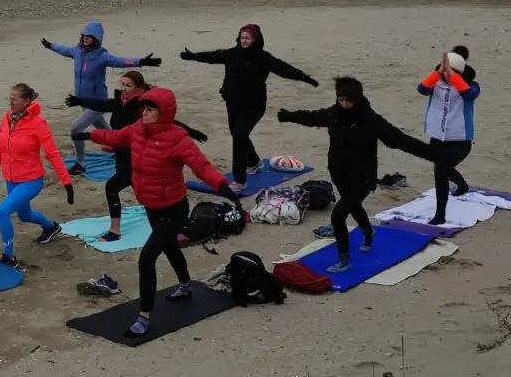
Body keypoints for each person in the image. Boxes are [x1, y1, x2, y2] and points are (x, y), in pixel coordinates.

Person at [73, 87, 242, 338]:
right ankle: (185, 286)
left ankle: (144, 317)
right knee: (171, 247)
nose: (144, 112)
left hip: (174, 209)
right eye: (144, 107)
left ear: (164, 112)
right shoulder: (137, 130)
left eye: (150, 108)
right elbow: (117, 137)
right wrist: (91, 135)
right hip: (151, 205)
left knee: (147, 258)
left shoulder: (178, 138)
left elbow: (200, 165)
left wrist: (221, 186)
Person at [278, 76, 441, 272]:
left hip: (363, 177)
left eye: (349, 101)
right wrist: (289, 116)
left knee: (338, 216)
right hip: (338, 172)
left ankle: (343, 258)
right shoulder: (334, 114)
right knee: (354, 207)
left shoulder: (371, 120)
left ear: (357, 100)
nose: (344, 104)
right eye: (341, 100)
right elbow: (311, 117)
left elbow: (400, 139)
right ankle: (368, 231)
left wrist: (432, 154)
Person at [66, 71, 208, 242]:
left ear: (139, 88)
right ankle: (174, 226)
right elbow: (102, 104)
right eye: (122, 85)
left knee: (113, 187)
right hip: (122, 156)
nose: (124, 89)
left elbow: (168, 122)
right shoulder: (120, 103)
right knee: (144, 195)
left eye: (128, 86)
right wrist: (79, 101)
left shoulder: (142, 108)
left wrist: (191, 132)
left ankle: (116, 230)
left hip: (138, 158)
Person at [180, 24, 318, 192]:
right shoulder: (232, 54)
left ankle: (240, 180)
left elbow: (285, 69)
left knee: (239, 134)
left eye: (248, 38)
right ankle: (253, 162)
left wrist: (306, 78)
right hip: (233, 103)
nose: (244, 40)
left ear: (255, 40)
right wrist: (193, 56)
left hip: (254, 105)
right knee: (238, 134)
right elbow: (213, 56)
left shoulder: (264, 58)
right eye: (242, 37)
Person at [41, 21, 162, 175]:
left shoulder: (101, 56)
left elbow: (120, 61)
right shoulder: (78, 51)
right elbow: (64, 50)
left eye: (90, 36)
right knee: (102, 126)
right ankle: (119, 145)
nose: (86, 38)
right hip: (83, 100)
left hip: (98, 102)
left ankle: (80, 163)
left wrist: (141, 62)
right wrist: (50, 45)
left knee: (75, 128)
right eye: (84, 35)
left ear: (97, 39)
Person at [0, 83, 73, 268]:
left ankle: (9, 257)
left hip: (31, 180)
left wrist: (66, 181)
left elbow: (52, 153)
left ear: (26, 101)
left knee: (2, 211)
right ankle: (51, 227)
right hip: (11, 178)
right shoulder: (6, 118)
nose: (10, 102)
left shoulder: (38, 123)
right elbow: (1, 147)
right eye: (10, 98)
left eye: (14, 99)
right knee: (25, 215)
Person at [417, 50, 480, 225]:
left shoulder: (472, 86)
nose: (445, 73)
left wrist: (453, 77)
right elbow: (421, 89)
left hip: (460, 140)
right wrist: (437, 74)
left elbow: (468, 94)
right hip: (437, 138)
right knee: (442, 168)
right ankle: (462, 185)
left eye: (449, 70)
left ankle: (440, 215)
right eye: (442, 69)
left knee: (441, 170)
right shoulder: (435, 84)